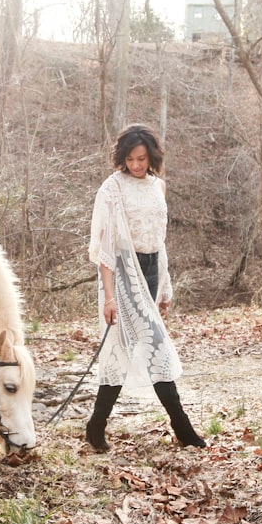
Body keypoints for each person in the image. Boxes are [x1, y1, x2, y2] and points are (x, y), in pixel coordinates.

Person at [86, 123, 206, 451]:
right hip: (124, 273)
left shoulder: (159, 187)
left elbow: (159, 239)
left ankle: (95, 426)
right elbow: (106, 247)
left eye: (141, 158)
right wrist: (109, 296)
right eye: (130, 159)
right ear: (121, 158)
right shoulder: (112, 188)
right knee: (156, 348)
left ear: (151, 156)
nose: (136, 165)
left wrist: (164, 288)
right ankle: (183, 428)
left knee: (123, 351)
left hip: (152, 272)